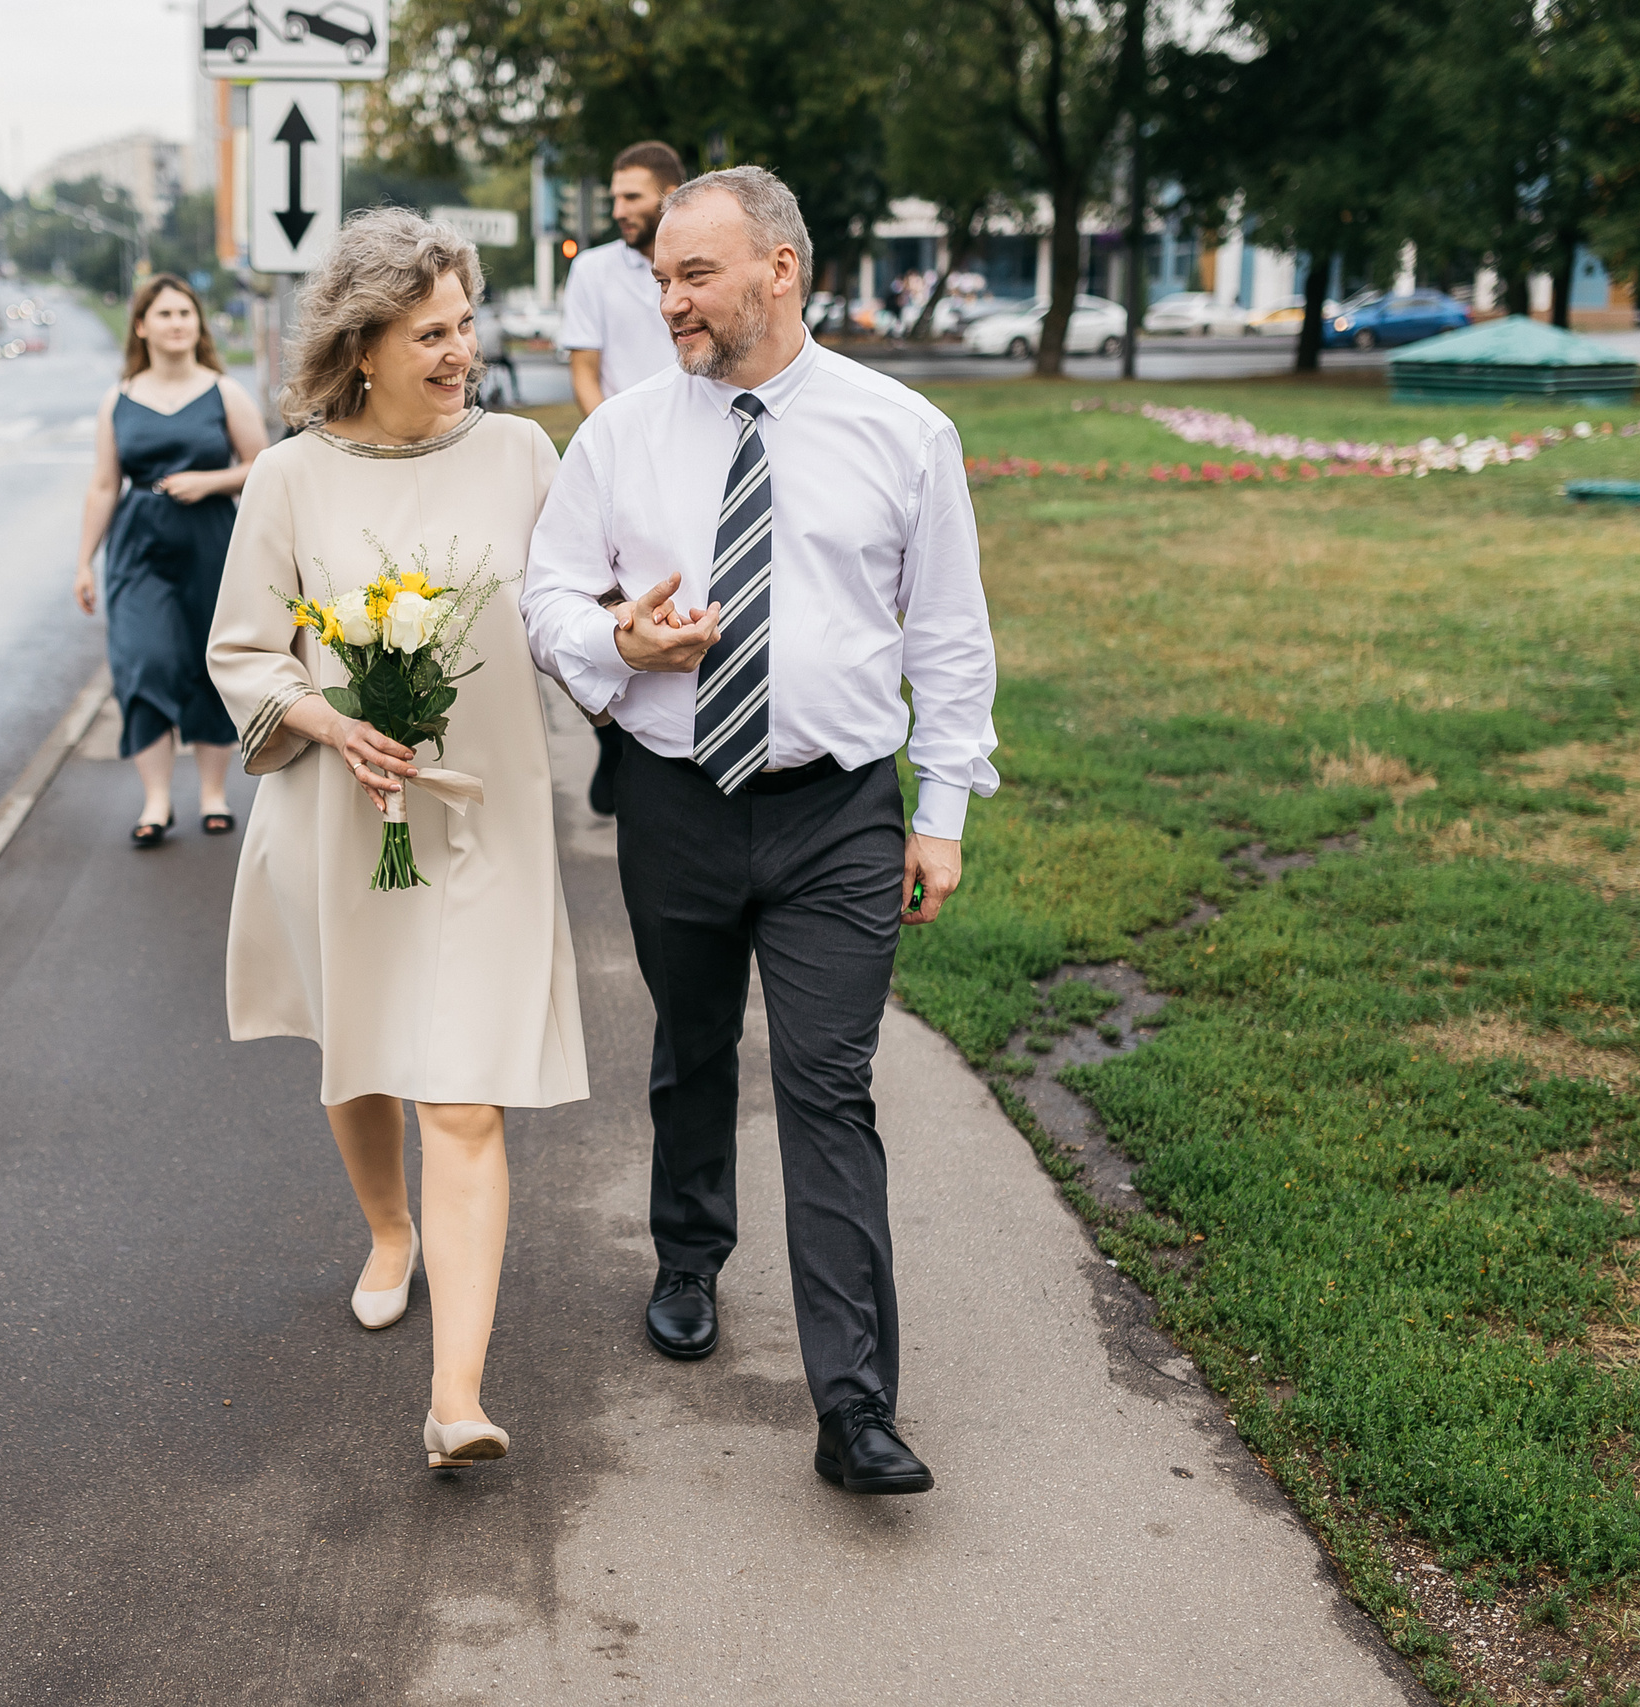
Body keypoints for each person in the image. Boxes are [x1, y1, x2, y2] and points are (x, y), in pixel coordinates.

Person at [522, 166, 999, 1497]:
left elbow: (950, 638)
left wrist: (943, 812)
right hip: (674, 797)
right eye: (660, 275)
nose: (665, 297)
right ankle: (689, 1252)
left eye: (693, 275)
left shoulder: (902, 433)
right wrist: (617, 639)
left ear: (777, 269)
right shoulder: (620, 435)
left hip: (837, 810)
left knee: (827, 1086)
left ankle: (854, 1403)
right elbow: (547, 590)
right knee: (689, 1044)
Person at [206, 209, 586, 1470]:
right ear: (362, 345)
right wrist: (327, 718)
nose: (460, 350)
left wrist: (625, 638)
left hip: (483, 827)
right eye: (431, 331)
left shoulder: (524, 455)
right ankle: (386, 1231)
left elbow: (569, 610)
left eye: (466, 323)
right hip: (337, 819)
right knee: (362, 1059)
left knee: (463, 1097)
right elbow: (245, 652)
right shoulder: (291, 476)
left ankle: (455, 1400)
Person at [77, 273, 270, 846]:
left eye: (185, 313)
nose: (177, 323)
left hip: (211, 542)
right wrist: (84, 561)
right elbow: (104, 485)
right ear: (141, 326)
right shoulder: (119, 398)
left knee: (209, 664)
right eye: (164, 314)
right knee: (145, 661)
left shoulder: (223, 392)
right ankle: (156, 801)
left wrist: (211, 481)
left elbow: (264, 465)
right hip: (139, 548)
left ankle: (213, 795)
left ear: (198, 325)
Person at [560, 140, 685, 819]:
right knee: (594, 602)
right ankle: (610, 729)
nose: (619, 210)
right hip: (619, 451)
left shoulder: (699, 266)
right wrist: (612, 437)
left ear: (670, 192)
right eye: (614, 198)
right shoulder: (595, 271)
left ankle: (657, 737)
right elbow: (585, 366)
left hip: (693, 449)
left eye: (632, 197)